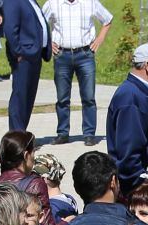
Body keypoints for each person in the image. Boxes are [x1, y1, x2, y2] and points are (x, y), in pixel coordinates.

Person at [107, 44, 148, 193]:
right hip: (143, 190)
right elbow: (129, 154)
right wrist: (142, 191)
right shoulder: (131, 98)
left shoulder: (141, 93)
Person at [44, 0, 112, 143]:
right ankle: (62, 133)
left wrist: (99, 39)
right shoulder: (53, 3)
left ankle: (89, 134)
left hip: (85, 54)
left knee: (88, 97)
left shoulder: (90, 2)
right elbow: (39, 23)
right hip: (62, 55)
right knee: (62, 98)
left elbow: (107, 20)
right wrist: (49, 42)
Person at [1, 0, 50, 133]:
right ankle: (16, 136)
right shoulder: (13, 1)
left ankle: (21, 134)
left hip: (35, 55)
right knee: (20, 97)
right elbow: (10, 28)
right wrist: (19, 52)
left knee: (28, 98)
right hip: (24, 56)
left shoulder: (31, 2)